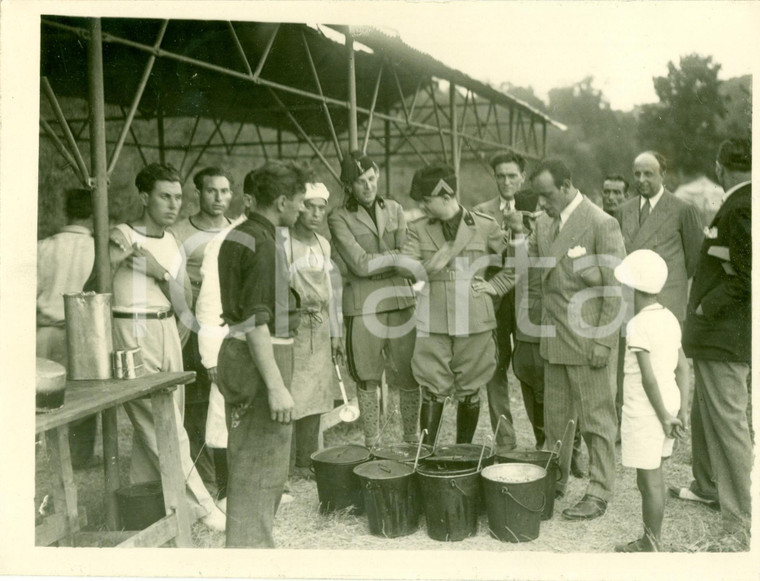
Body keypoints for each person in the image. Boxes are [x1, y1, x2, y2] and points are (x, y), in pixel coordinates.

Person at [109, 163, 225, 531]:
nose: (173, 204)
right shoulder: (122, 234)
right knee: (164, 425)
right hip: (132, 325)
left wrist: (159, 273)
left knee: (165, 422)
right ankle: (203, 508)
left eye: (178, 197)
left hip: (168, 328)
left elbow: (181, 295)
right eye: (164, 196)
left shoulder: (172, 240)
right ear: (145, 197)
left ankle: (151, 507)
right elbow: (95, 282)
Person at [523, 159, 625, 520]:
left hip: (589, 342)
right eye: (538, 196)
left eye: (547, 195)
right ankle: (556, 482)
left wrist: (604, 341)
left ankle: (598, 491)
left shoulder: (601, 222)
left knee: (597, 421)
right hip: (554, 340)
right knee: (556, 422)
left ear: (566, 185)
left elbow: (617, 290)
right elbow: (537, 273)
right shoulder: (543, 223)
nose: (542, 203)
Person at [217, 159, 309, 547]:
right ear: (283, 201)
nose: (303, 209)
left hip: (241, 357)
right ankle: (251, 554)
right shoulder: (264, 244)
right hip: (261, 360)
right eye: (301, 201)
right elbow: (255, 322)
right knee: (261, 469)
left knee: (248, 462)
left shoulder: (239, 235)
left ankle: (248, 547)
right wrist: (275, 386)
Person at [671, 138, 752, 539]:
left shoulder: (743, 206)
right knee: (714, 420)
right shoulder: (740, 203)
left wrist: (705, 307)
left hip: (724, 337)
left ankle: (740, 526)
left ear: (721, 167)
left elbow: (747, 275)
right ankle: (709, 488)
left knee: (730, 426)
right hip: (716, 337)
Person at [404, 164, 515, 445]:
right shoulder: (417, 229)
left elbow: (516, 263)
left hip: (475, 319)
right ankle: (426, 453)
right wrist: (442, 255)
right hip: (434, 319)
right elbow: (408, 269)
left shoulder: (485, 225)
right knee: (432, 388)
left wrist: (494, 286)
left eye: (426, 201)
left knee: (470, 389)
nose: (422, 207)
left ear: (445, 196)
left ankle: (463, 452)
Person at [327, 151, 418, 447]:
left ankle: (410, 440)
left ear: (377, 175)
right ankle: (371, 442)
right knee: (366, 376)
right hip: (363, 306)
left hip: (401, 301)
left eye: (371, 178)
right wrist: (392, 258)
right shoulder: (338, 217)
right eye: (359, 182)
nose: (367, 186)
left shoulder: (394, 208)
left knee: (409, 374)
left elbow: (409, 258)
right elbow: (359, 264)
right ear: (348, 186)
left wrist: (379, 263)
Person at [615, 152, 703, 436]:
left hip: (665, 301)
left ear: (663, 175)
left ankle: (671, 421)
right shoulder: (624, 210)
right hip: (631, 302)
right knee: (632, 368)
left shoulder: (682, 209)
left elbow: (694, 260)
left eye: (648, 174)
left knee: (666, 369)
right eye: (637, 173)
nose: (641, 180)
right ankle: (630, 424)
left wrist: (669, 285)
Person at [613, 250, 690, 552]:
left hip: (648, 412)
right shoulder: (669, 317)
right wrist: (680, 410)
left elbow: (647, 378)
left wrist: (662, 416)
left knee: (649, 482)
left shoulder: (637, 325)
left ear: (633, 289)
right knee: (653, 476)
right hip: (668, 406)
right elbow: (683, 367)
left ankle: (650, 542)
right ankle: (652, 539)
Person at [170, 166, 233, 497]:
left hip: (221, 326)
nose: (219, 198)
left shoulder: (238, 230)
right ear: (198, 193)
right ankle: (197, 472)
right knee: (193, 402)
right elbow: (175, 281)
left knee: (221, 400)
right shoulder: (181, 232)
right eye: (212, 191)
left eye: (225, 191)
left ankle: (223, 475)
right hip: (189, 326)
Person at [194, 180, 255, 513]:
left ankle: (253, 488)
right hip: (225, 343)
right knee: (222, 416)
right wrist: (210, 355)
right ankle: (226, 493)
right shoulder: (224, 242)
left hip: (256, 342)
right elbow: (208, 303)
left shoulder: (266, 237)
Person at [473, 152, 534, 453]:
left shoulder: (537, 209)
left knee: (531, 369)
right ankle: (506, 441)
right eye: (501, 176)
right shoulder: (481, 212)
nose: (507, 181)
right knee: (494, 368)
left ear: (523, 176)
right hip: (494, 299)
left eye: (512, 176)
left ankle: (547, 440)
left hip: (529, 301)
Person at [36, 188, 97, 469]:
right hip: (79, 334)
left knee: (44, 396)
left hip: (45, 331)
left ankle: (48, 456)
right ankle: (77, 458)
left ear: (67, 211)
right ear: (93, 213)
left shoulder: (45, 245)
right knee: (81, 395)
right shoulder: (96, 247)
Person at [286, 183, 344, 475]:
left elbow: (332, 292)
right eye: (310, 206)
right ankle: (284, 463)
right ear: (298, 206)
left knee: (317, 395)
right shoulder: (283, 242)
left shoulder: (324, 244)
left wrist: (336, 332)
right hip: (293, 327)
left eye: (322, 208)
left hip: (320, 329)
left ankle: (306, 460)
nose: (316, 214)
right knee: (292, 393)